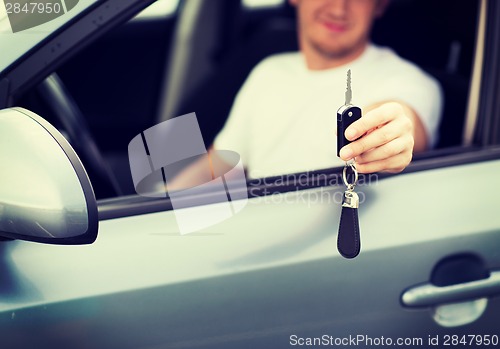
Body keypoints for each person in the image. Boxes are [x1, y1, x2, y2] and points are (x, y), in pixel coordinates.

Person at [172, 0, 442, 187]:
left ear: (380, 5)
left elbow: (399, 120)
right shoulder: (269, 72)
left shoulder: (410, 82)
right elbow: (219, 165)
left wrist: (390, 136)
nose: (339, 8)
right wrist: (156, 202)